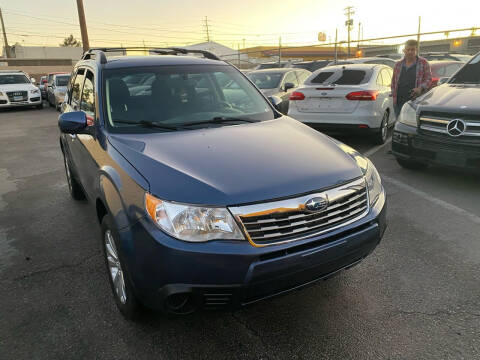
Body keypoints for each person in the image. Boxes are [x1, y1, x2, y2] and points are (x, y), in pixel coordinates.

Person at [391, 39, 432, 118]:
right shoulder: (398, 64)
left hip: (415, 101)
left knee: (411, 125)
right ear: (404, 50)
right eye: (408, 49)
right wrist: (393, 95)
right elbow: (393, 81)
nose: (410, 52)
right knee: (399, 123)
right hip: (398, 101)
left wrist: (420, 88)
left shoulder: (424, 63)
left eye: (412, 49)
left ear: (416, 50)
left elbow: (428, 79)